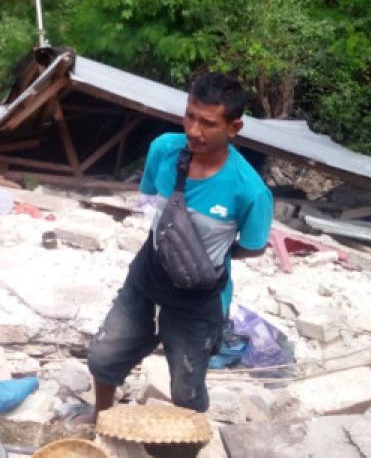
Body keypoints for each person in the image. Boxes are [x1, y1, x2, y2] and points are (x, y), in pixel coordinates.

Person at [86, 72, 273, 418]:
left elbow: (253, 246)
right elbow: (151, 198)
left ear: (234, 129)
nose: (193, 131)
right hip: (149, 272)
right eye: (189, 115)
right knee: (104, 354)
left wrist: (211, 253)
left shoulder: (250, 191)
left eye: (208, 123)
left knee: (186, 390)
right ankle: (101, 419)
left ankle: (182, 447)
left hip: (199, 297)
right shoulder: (164, 150)